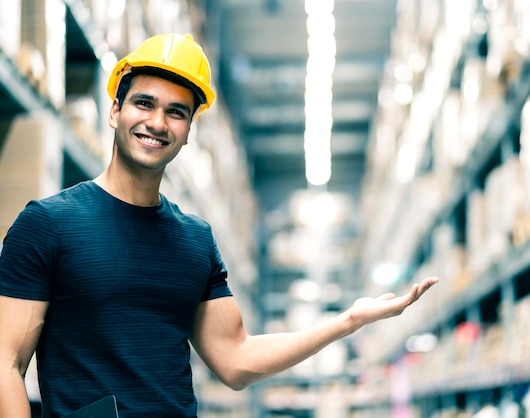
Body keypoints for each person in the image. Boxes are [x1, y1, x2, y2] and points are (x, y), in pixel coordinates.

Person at [0, 33, 439, 418]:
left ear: (189, 129)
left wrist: (346, 321)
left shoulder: (194, 240)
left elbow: (235, 359)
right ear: (115, 110)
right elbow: (6, 361)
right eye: (144, 103)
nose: (157, 122)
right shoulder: (48, 224)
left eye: (176, 112)